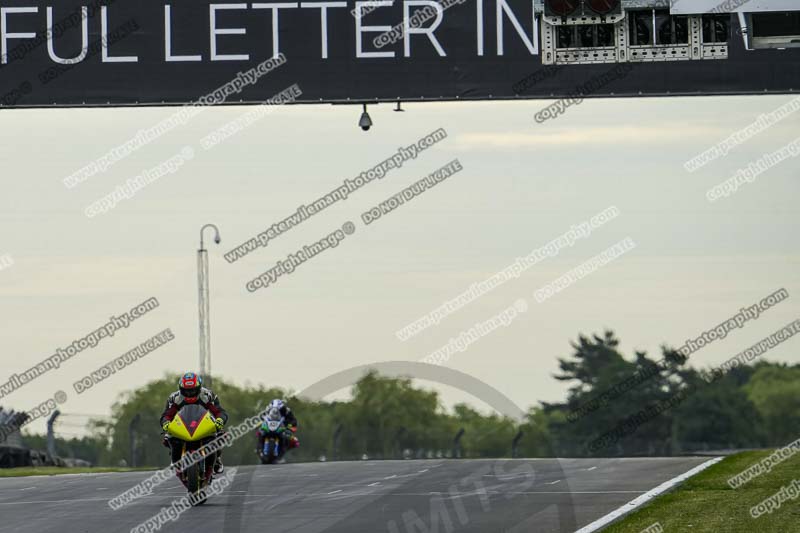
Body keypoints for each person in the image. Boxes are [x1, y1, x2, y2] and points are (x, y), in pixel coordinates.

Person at [160, 372, 228, 474]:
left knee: (219, 434)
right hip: (182, 424)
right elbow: (167, 414)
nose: (189, 394)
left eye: (192, 391)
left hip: (204, 423)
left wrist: (220, 420)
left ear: (199, 388)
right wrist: (165, 423)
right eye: (186, 391)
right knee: (168, 437)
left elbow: (219, 411)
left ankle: (217, 458)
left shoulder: (207, 395)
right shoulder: (175, 398)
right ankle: (175, 458)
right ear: (181, 389)